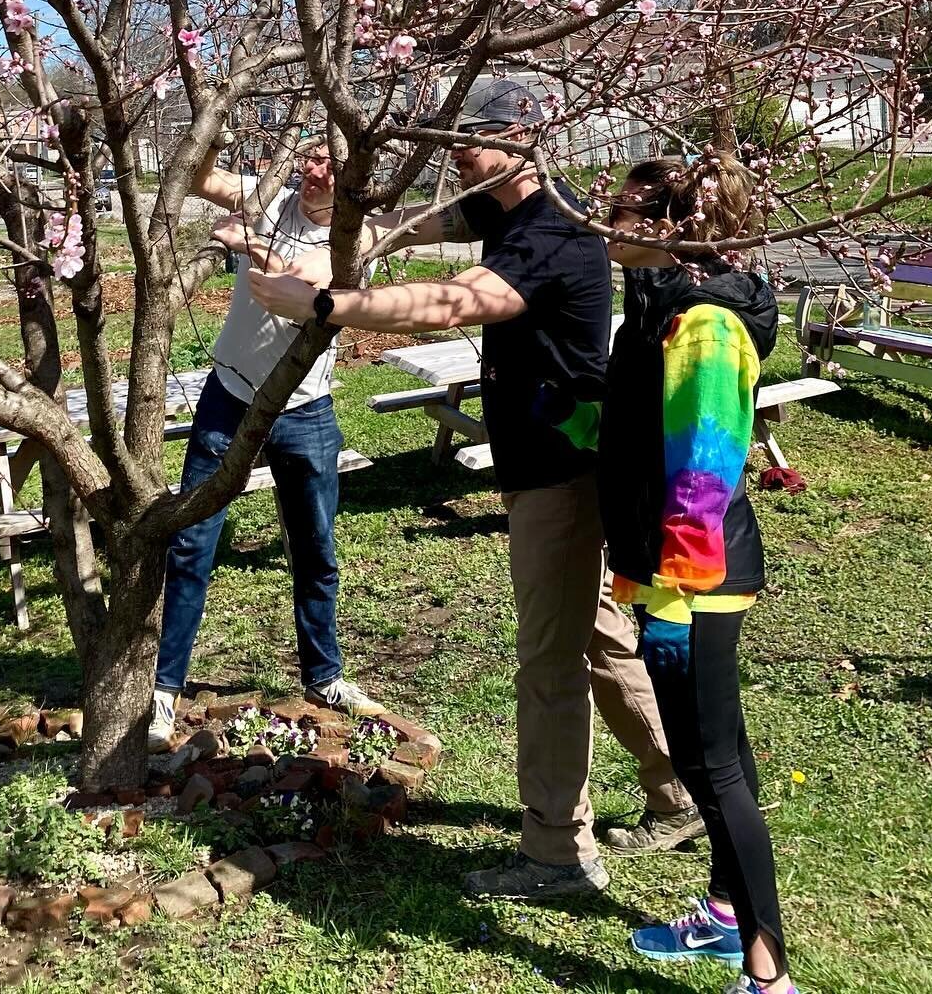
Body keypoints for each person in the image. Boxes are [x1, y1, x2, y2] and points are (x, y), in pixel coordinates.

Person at [249, 78, 701, 899]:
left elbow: (461, 301)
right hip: (565, 457)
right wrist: (328, 218)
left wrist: (325, 302)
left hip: (562, 472)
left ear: (529, 134)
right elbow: (406, 227)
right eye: (454, 135)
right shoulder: (500, 206)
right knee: (599, 641)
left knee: (549, 664)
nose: (460, 148)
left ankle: (557, 854)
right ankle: (680, 793)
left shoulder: (553, 227)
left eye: (478, 135)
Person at [600, 154, 800, 994]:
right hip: (675, 566)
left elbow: (706, 470)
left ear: (671, 230)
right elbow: (650, 424)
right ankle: (725, 913)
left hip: (698, 575)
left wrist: (675, 600)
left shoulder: (705, 322)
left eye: (623, 212)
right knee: (710, 753)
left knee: (713, 768)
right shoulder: (661, 305)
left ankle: (768, 973)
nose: (606, 223)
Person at [148, 134, 383, 751]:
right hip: (230, 397)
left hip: (306, 410)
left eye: (331, 166)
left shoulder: (358, 239)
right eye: (310, 158)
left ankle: (324, 676)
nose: (315, 174)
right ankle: (164, 689)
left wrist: (244, 241)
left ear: (356, 174)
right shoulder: (271, 198)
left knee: (314, 546)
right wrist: (212, 134)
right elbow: (200, 176)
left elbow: (301, 284)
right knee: (192, 542)